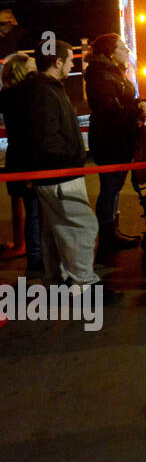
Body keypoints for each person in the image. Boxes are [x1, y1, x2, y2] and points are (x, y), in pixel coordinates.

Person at [24, 41, 107, 292]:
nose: (73, 65)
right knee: (82, 227)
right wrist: (74, 155)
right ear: (58, 62)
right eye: (70, 60)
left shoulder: (44, 89)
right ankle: (85, 284)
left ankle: (55, 281)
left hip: (54, 175)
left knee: (54, 231)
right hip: (61, 175)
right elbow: (47, 139)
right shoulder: (44, 92)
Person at [84, 34, 142, 250]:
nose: (127, 51)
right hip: (110, 141)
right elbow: (110, 109)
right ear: (110, 52)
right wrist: (136, 109)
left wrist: (140, 103)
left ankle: (112, 232)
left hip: (118, 139)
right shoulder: (101, 75)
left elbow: (124, 101)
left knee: (114, 187)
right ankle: (108, 236)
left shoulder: (112, 73)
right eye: (122, 47)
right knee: (110, 187)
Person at [1, 53, 41, 273]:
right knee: (35, 210)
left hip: (16, 157)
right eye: (31, 63)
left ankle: (27, 250)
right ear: (21, 69)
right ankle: (36, 261)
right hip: (29, 159)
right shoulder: (27, 93)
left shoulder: (7, 94)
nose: (35, 65)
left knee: (28, 207)